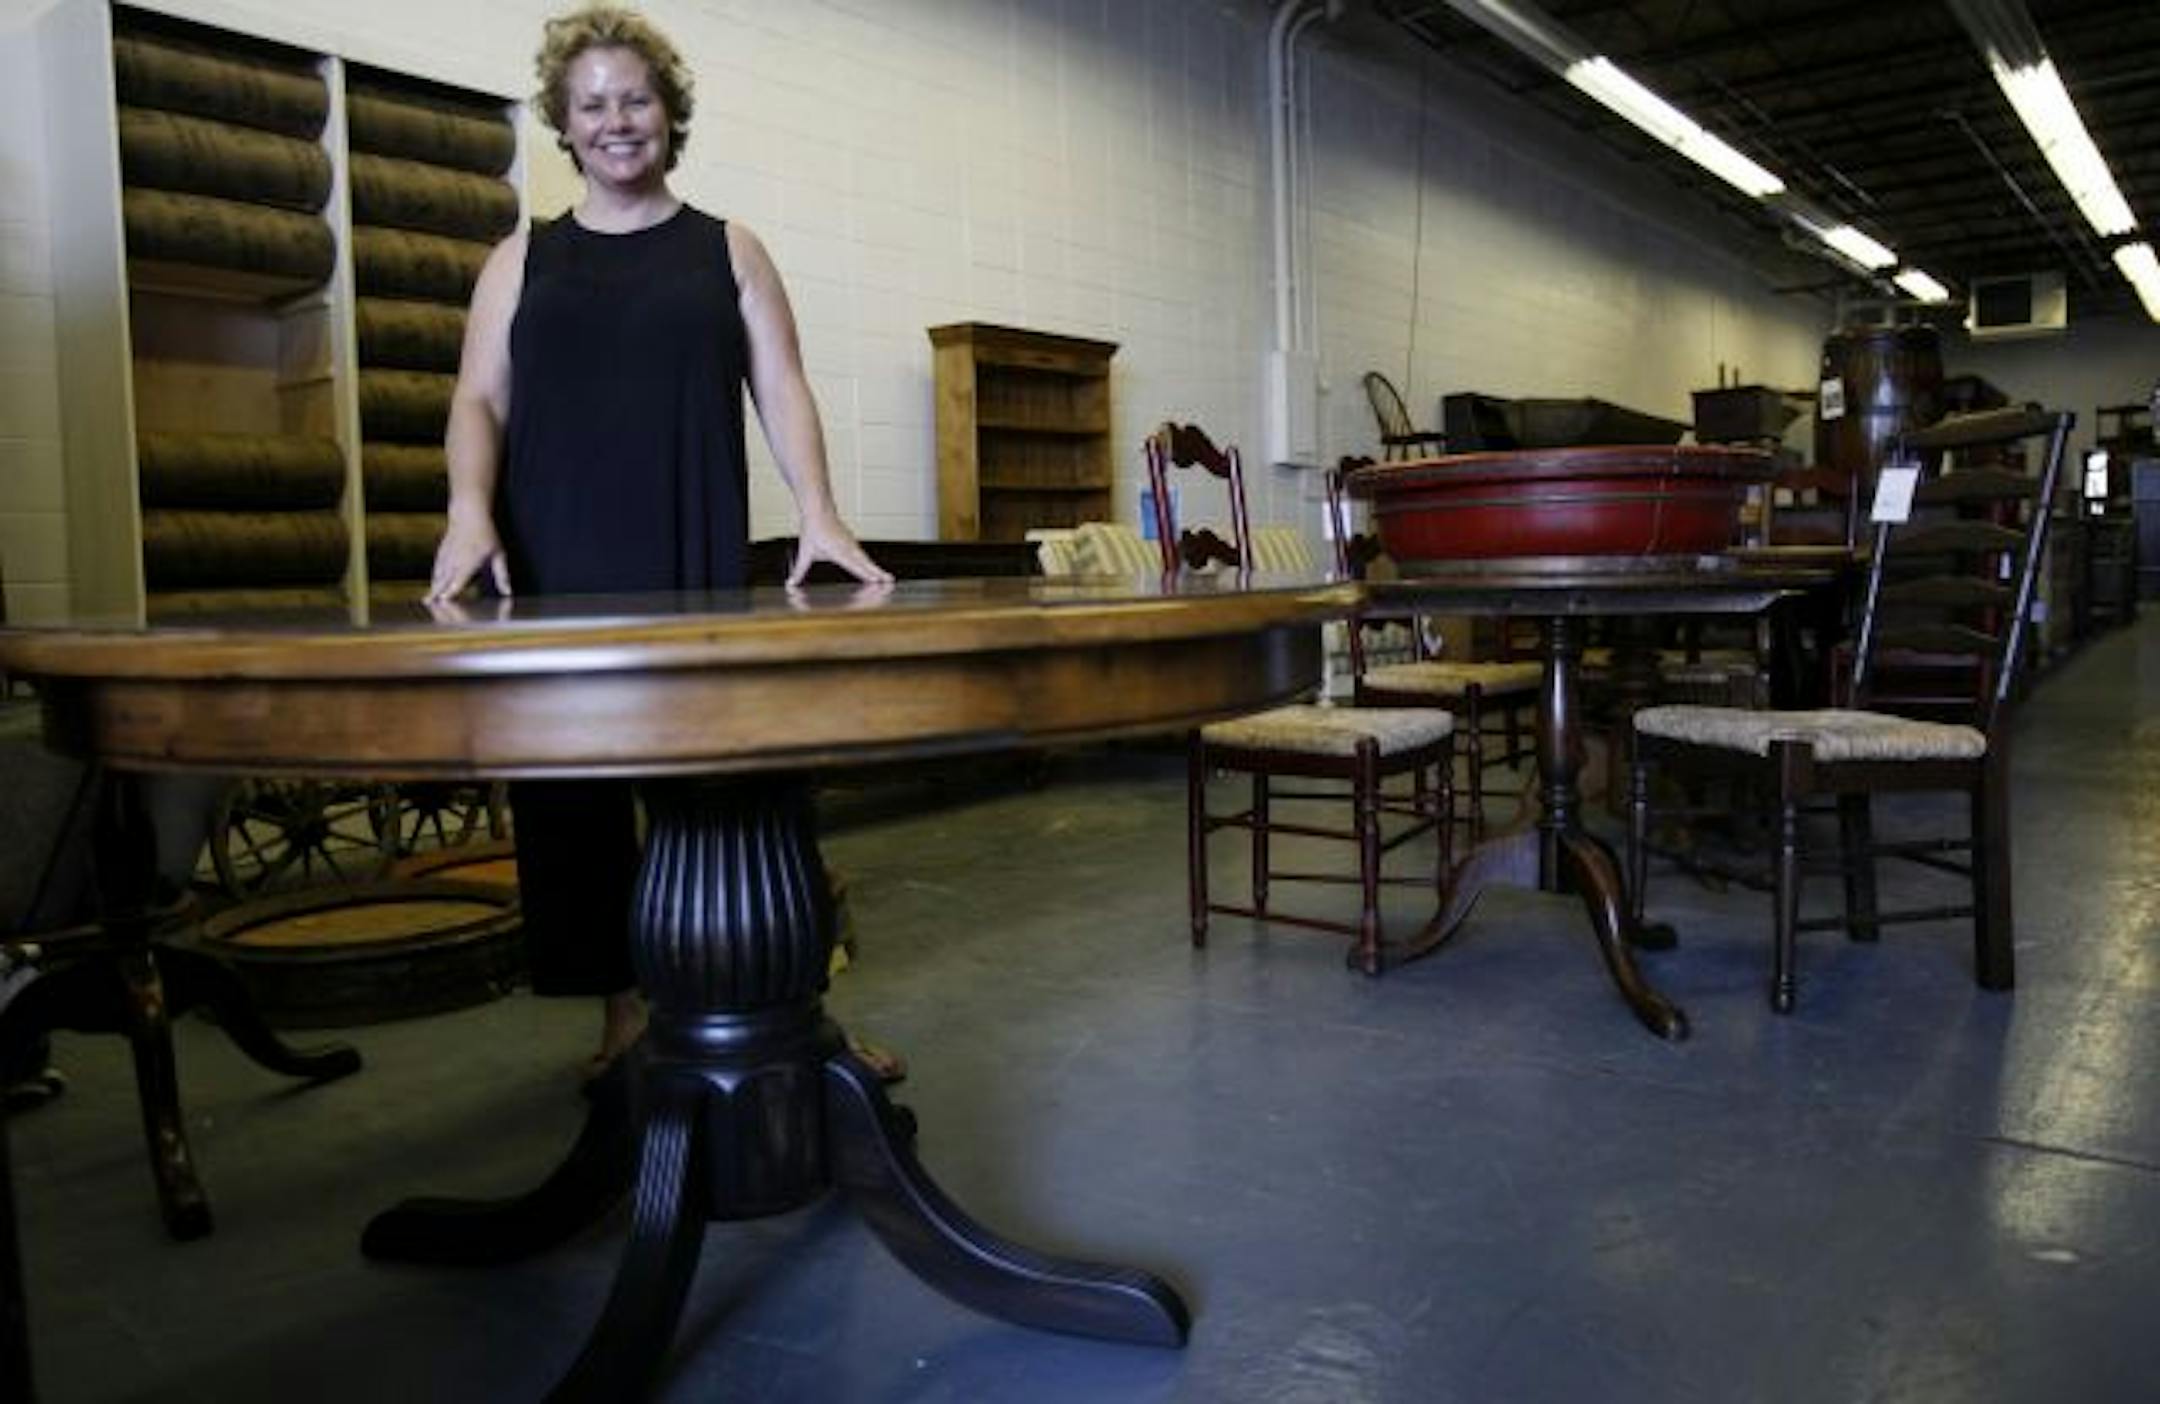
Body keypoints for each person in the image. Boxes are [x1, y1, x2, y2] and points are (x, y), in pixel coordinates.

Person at [428, 5, 892, 1075]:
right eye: (590, 103)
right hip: (553, 560)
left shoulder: (728, 248)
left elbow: (781, 385)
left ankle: (798, 1008)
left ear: (669, 113)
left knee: (745, 790)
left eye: (634, 97)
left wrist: (818, 509)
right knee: (571, 807)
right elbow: (477, 399)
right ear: (565, 123)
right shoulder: (520, 259)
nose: (615, 120)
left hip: (690, 553)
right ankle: (620, 1012)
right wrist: (468, 509)